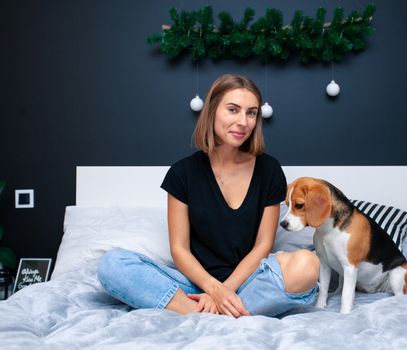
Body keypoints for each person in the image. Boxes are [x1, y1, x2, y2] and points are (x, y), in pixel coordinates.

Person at [97, 74, 320, 317]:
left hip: (248, 281)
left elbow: (263, 245)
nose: (243, 121)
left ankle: (211, 311)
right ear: (212, 111)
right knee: (113, 264)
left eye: (251, 113)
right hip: (194, 285)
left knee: (308, 265)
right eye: (233, 110)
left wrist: (225, 291)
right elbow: (179, 249)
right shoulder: (183, 173)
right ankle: (202, 311)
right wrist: (213, 289)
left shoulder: (269, 170)